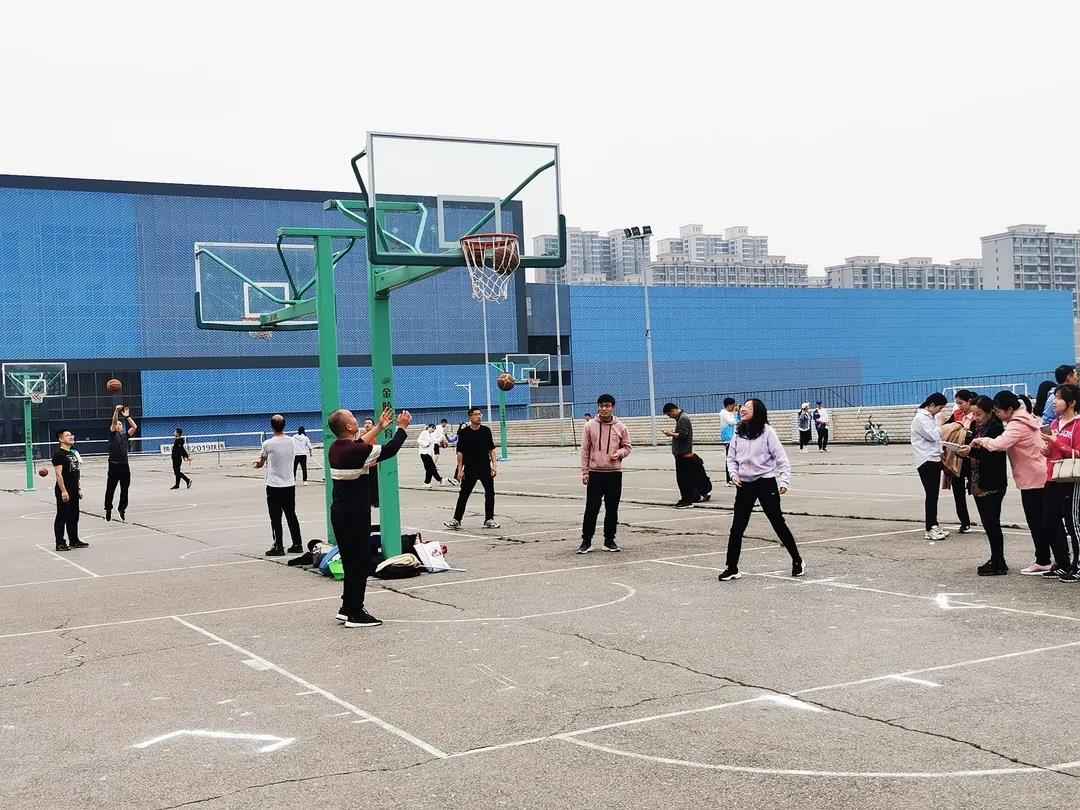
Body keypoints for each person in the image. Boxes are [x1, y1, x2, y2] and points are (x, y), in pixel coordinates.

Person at [328, 406, 412, 628]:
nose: (356, 420)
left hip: (341, 512)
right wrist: (402, 428)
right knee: (360, 563)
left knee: (351, 562)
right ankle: (355, 612)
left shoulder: (337, 447)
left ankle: (347, 607)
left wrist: (380, 427)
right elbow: (390, 449)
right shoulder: (354, 452)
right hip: (354, 515)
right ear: (348, 426)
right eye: (353, 418)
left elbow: (359, 444)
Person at [718, 399, 803, 581]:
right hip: (744, 485)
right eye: (743, 407)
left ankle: (797, 560)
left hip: (765, 482)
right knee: (737, 527)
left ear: (758, 412)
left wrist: (784, 480)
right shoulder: (738, 432)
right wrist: (733, 474)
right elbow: (731, 458)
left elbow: (781, 457)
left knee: (777, 522)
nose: (743, 410)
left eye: (748, 408)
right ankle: (732, 567)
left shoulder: (767, 432)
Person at [970, 390, 1051, 575]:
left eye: (998, 411)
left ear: (1009, 409)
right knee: (1040, 521)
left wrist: (980, 441)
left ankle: (1043, 560)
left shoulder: (1016, 424)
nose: (997, 414)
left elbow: (999, 444)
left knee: (1036, 521)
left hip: (1032, 478)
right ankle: (1045, 558)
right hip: (1037, 474)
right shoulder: (1027, 418)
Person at [957, 397, 1007, 575]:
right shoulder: (975, 427)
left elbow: (992, 455)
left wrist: (971, 451)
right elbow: (972, 449)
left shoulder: (996, 428)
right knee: (987, 523)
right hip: (976, 479)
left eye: (978, 414)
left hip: (992, 481)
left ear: (989, 412)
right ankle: (995, 558)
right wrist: (963, 451)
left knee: (992, 523)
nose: (975, 417)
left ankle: (999, 561)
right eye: (973, 414)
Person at [578, 394, 633, 554]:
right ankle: (586, 541)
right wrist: (585, 472)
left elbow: (627, 447)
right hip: (595, 473)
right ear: (598, 407)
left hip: (614, 474)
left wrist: (619, 453)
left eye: (607, 406)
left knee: (612, 508)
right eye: (601, 405)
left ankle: (609, 540)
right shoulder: (589, 426)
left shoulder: (621, 427)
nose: (604, 409)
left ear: (613, 407)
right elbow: (585, 450)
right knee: (591, 508)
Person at [1038, 383, 1080, 582]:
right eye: (1054, 397)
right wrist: (1047, 450)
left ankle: (1078, 565)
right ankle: (1063, 562)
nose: (1054, 402)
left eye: (1059, 398)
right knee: (1049, 521)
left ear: (1071, 403)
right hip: (1053, 476)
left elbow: (1077, 453)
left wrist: (1056, 442)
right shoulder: (1055, 423)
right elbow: (1054, 450)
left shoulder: (1078, 424)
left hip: (1071, 478)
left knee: (1073, 524)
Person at [252, 414, 304, 556]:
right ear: (284, 425)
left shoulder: (267, 444)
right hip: (289, 484)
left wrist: (258, 464)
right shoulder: (292, 441)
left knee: (275, 517)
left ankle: (278, 546)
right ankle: (297, 543)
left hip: (274, 485)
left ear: (272, 426)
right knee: (291, 515)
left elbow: (262, 461)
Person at [444, 407, 500, 530]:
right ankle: (456, 520)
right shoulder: (464, 433)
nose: (479, 416)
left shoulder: (486, 431)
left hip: (485, 468)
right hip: (470, 469)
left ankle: (489, 519)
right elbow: (460, 453)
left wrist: (494, 465)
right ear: (470, 416)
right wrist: (460, 470)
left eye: (480, 414)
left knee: (490, 493)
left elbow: (491, 449)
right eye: (476, 414)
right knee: (464, 494)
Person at [911, 393, 950, 541]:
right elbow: (932, 436)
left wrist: (941, 453)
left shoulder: (929, 417)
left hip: (933, 458)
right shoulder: (920, 418)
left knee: (934, 495)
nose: (940, 412)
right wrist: (940, 424)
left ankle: (934, 524)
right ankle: (930, 528)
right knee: (931, 494)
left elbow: (937, 440)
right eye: (939, 408)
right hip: (926, 460)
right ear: (932, 405)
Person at [663, 402, 712, 508]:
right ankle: (688, 498)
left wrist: (670, 434)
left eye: (668, 414)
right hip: (681, 453)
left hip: (683, 454)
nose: (669, 416)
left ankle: (686, 500)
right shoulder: (681, 418)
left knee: (683, 479)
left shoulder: (683, 419)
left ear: (673, 411)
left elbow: (683, 435)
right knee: (685, 479)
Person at [945, 390, 976, 533]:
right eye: (957, 403)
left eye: (961, 403)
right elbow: (946, 428)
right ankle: (964, 522)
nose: (959, 406)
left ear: (969, 401)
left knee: (977, 489)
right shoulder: (957, 415)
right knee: (958, 492)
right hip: (957, 457)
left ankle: (987, 519)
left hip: (972, 457)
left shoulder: (977, 416)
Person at [52, 428, 87, 551]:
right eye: (68, 435)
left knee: (74, 516)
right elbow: (58, 474)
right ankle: (60, 543)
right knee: (62, 516)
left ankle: (74, 540)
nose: (71, 437)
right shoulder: (59, 455)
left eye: (72, 435)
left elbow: (76, 473)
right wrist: (63, 491)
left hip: (73, 490)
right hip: (64, 490)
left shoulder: (73, 453)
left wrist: (78, 489)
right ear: (61, 439)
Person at [104, 404, 137, 522]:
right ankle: (108, 508)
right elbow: (113, 423)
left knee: (125, 489)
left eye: (120, 424)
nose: (118, 425)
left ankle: (122, 508)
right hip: (114, 465)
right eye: (117, 424)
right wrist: (116, 411)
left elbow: (134, 427)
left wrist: (127, 417)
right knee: (110, 489)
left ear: (122, 428)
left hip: (124, 466)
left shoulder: (124, 436)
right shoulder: (113, 435)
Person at [720, 397, 739, 483]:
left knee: (734, 458)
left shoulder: (729, 413)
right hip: (728, 439)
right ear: (729, 405)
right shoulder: (724, 413)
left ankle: (734, 477)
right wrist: (734, 413)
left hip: (732, 438)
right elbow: (732, 422)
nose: (734, 407)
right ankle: (729, 479)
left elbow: (737, 421)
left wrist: (736, 413)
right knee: (730, 459)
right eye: (733, 405)